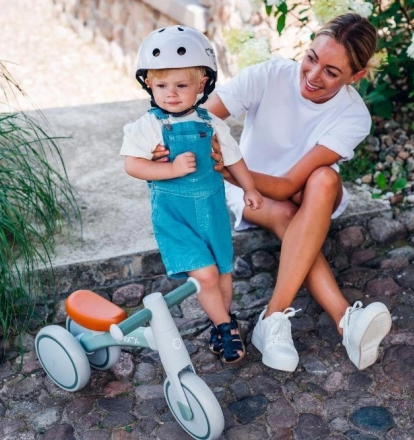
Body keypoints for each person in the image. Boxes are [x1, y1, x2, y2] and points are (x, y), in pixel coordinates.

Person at [153, 13, 392, 372]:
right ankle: (346, 320)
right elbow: (200, 117)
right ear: (308, 45)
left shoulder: (354, 116)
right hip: (250, 192)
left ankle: (273, 315)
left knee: (324, 179)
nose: (312, 76)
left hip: (302, 190)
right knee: (286, 215)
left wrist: (224, 167)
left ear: (355, 77)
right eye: (312, 58)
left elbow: (288, 185)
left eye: (331, 72)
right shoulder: (269, 75)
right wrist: (170, 145)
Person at [120, 25, 263, 365]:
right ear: (148, 84)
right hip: (176, 215)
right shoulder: (149, 126)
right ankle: (227, 326)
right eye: (161, 85)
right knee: (206, 274)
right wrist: (169, 169)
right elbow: (132, 165)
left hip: (211, 210)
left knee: (222, 271)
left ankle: (220, 325)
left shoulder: (211, 122)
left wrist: (250, 187)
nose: (170, 94)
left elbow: (233, 157)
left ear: (202, 85)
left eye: (181, 85)